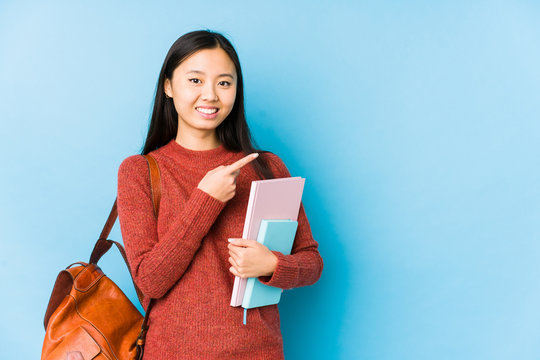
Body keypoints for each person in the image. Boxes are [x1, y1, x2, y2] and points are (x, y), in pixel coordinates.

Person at [116, 29, 323, 359]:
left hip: (258, 351)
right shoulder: (140, 171)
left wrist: (271, 264)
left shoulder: (266, 167)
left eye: (224, 83)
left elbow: (312, 263)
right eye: (195, 80)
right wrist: (206, 199)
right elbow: (150, 281)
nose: (210, 95)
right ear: (168, 86)